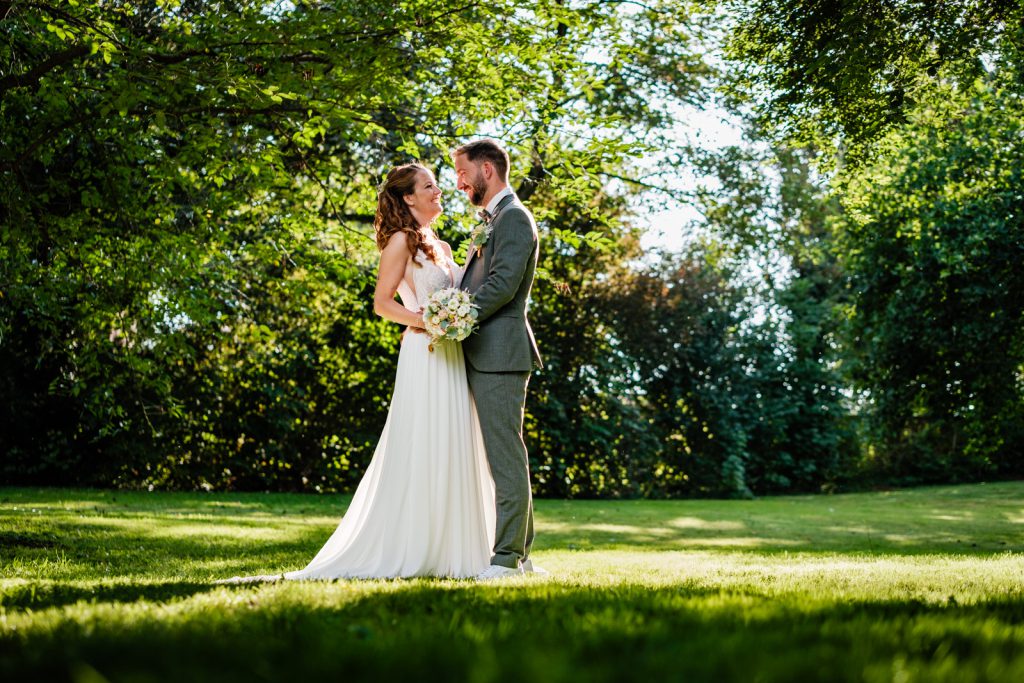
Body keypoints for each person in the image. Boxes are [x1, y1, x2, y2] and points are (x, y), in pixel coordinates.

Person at [216, 163, 496, 582]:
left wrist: (451, 318)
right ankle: (413, 546)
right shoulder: (400, 241)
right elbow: (382, 303)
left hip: (451, 355)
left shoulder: (440, 245)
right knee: (424, 444)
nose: (439, 191)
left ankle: (454, 550)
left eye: (437, 185)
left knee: (454, 441)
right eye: (430, 186)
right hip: (424, 352)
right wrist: (428, 322)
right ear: (407, 198)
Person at [452, 139, 545, 580]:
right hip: (485, 351)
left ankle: (507, 559)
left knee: (505, 459)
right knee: (504, 456)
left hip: (500, 355)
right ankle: (522, 558)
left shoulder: (513, 218)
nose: (459, 183)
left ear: (486, 170)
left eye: (462, 173)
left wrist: (457, 317)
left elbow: (505, 284)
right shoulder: (495, 218)